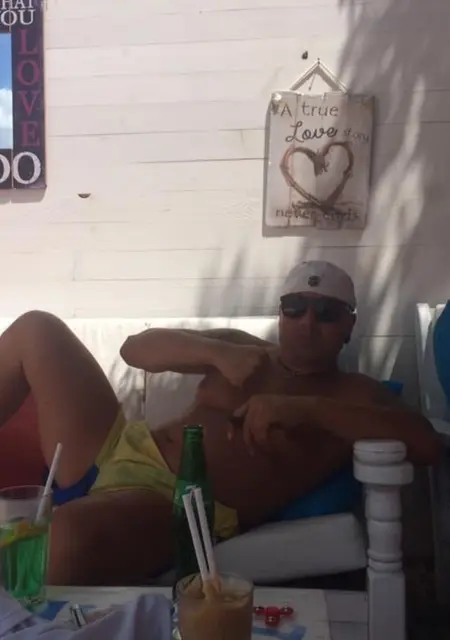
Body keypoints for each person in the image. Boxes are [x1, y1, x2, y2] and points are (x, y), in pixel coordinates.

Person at [0, 261, 439, 586]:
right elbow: (135, 349)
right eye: (295, 307)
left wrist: (307, 410)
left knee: (59, 541)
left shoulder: (354, 394)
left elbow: (428, 444)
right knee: (36, 330)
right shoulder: (247, 350)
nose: (307, 322)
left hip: (174, 502)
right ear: (281, 314)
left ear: (349, 326)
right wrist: (215, 353)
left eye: (326, 313)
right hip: (115, 448)